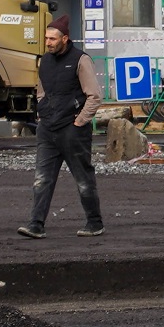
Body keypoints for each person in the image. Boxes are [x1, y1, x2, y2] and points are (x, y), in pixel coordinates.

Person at [19, 15, 104, 239]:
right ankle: (36, 224)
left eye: (52, 39)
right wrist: (42, 113)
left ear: (65, 38)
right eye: (46, 38)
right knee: (42, 179)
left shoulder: (80, 60)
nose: (48, 42)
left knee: (83, 179)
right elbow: (42, 91)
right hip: (48, 129)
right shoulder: (45, 61)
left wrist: (79, 122)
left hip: (72, 130)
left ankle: (94, 223)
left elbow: (94, 96)